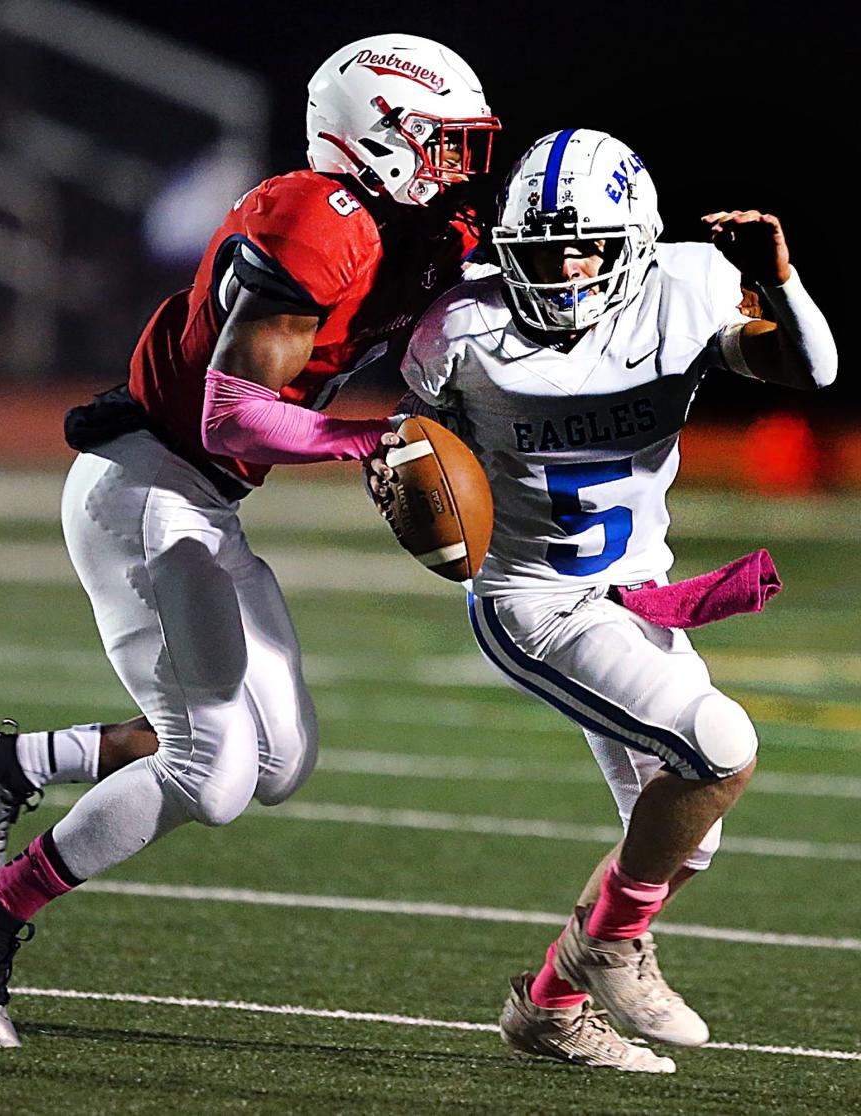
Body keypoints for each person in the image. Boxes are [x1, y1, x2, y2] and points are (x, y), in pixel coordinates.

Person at [0, 33, 500, 1049]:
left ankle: (12, 762)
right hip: (146, 488)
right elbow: (233, 412)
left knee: (279, 761)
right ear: (375, 137)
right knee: (212, 770)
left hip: (203, 500)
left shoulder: (414, 232)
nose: (459, 169)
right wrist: (369, 439)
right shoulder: (316, 216)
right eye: (441, 144)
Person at [383, 128, 837, 1072]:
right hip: (537, 601)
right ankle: (610, 947)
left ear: (633, 242)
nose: (561, 269)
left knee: (682, 842)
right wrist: (410, 491)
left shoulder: (686, 288)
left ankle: (548, 1007)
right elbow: (415, 460)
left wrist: (780, 283)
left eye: (582, 246)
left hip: (636, 597)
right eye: (540, 252)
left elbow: (811, 371)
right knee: (721, 746)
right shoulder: (462, 332)